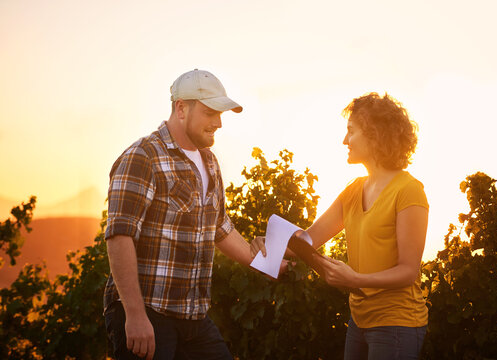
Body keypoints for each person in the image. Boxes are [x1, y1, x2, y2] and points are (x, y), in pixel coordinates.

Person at [104, 69, 273, 360]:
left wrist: (265, 263)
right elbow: (120, 235)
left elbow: (220, 228)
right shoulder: (142, 156)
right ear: (181, 108)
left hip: (194, 317)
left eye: (221, 114)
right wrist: (135, 314)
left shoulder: (209, 161)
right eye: (210, 113)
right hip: (149, 314)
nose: (218, 123)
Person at [252, 92, 429, 359]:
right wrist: (269, 245)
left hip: (397, 324)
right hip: (359, 321)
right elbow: (309, 239)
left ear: (375, 134)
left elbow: (408, 270)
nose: (344, 140)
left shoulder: (409, 191)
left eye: (351, 131)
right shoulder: (353, 190)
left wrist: (356, 279)